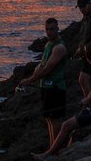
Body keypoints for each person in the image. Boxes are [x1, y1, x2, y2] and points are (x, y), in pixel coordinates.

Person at [35, 42, 91, 157]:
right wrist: (88, 100)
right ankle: (64, 152)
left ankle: (47, 154)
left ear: (88, 56)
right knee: (73, 129)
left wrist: (88, 98)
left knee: (66, 125)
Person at [16, 17, 68, 152]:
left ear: (57, 29)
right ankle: (53, 147)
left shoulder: (59, 47)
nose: (49, 32)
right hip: (46, 87)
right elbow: (42, 64)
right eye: (47, 29)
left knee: (55, 119)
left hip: (56, 88)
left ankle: (55, 149)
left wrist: (29, 81)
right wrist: (33, 75)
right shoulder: (48, 45)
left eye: (52, 29)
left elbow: (48, 69)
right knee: (49, 119)